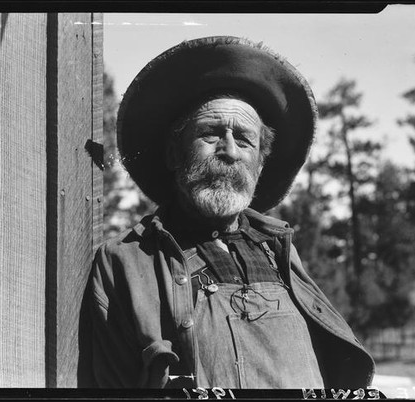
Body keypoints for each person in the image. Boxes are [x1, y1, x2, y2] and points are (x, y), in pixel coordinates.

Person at [78, 36, 375, 389]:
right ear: (174, 153)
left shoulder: (280, 247)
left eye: (245, 140)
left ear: (260, 164)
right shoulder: (126, 263)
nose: (230, 151)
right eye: (211, 134)